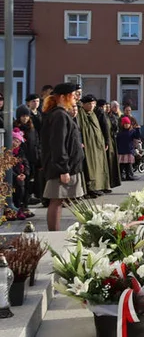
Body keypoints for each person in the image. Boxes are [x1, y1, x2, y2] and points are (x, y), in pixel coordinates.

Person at [40, 82, 85, 231]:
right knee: (56, 201)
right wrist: (62, 169)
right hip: (62, 167)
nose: (75, 98)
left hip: (68, 166)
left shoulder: (62, 114)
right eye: (73, 95)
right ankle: (54, 234)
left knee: (60, 201)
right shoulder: (59, 115)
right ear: (63, 97)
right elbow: (58, 144)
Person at [78, 94, 110, 196]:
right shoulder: (81, 114)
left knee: (97, 166)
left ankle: (97, 186)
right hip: (87, 145)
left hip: (97, 144)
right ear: (84, 104)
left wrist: (105, 142)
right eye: (89, 104)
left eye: (93, 103)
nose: (91, 106)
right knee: (89, 167)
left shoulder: (93, 114)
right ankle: (89, 188)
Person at [115, 116, 142, 182]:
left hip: (129, 151)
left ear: (130, 124)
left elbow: (137, 136)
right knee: (121, 164)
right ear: (123, 124)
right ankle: (121, 176)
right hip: (121, 151)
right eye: (125, 124)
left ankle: (129, 175)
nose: (127, 125)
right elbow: (117, 141)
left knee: (129, 164)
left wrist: (138, 129)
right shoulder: (120, 133)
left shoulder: (132, 132)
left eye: (128, 124)